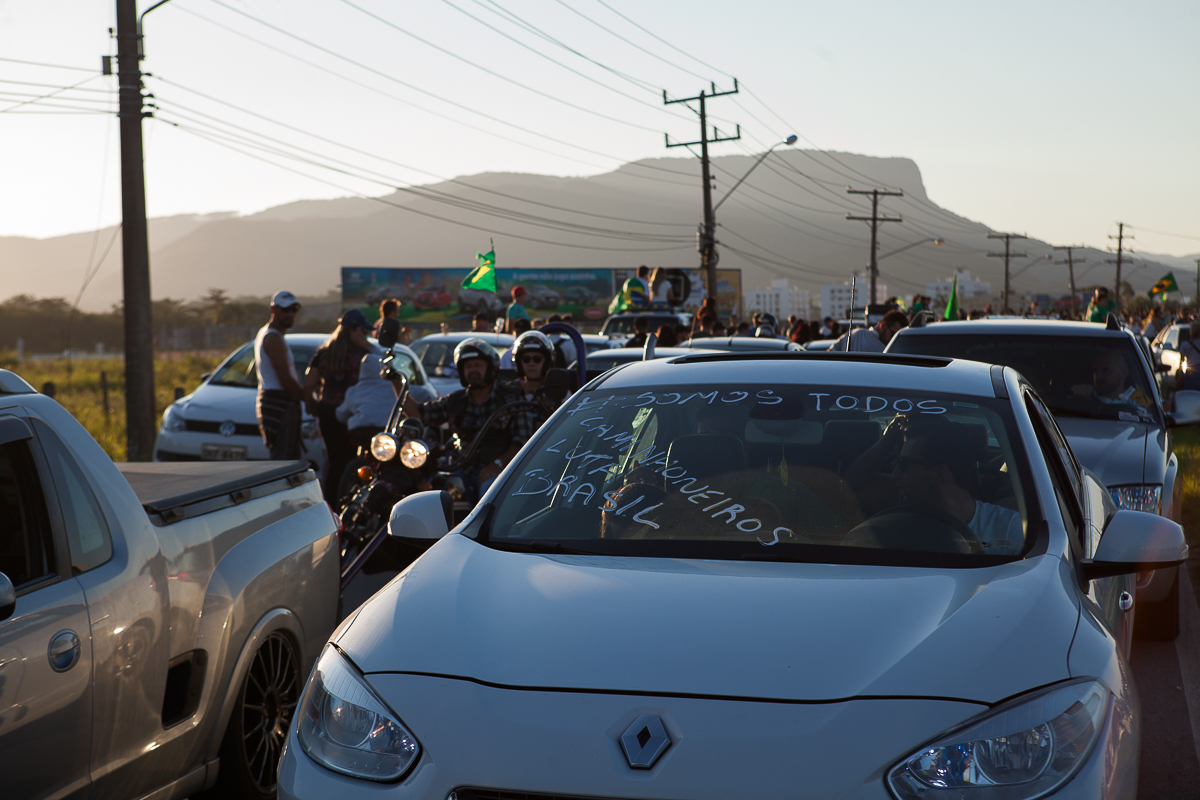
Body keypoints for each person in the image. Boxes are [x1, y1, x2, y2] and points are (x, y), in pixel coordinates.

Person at [402, 338, 535, 499]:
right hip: (460, 469)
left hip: (500, 471)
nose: (473, 370)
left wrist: (497, 465)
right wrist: (397, 383)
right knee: (434, 493)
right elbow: (419, 414)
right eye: (468, 366)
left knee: (490, 493)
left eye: (478, 365)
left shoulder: (510, 398)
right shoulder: (456, 401)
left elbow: (523, 440)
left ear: (491, 367)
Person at [895, 419, 1024, 554]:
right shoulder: (895, 528)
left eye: (904, 464)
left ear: (940, 474)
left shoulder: (1011, 531)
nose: (895, 474)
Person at [305, 309, 372, 500]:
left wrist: (313, 406)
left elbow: (309, 384)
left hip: (327, 414)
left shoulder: (324, 354)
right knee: (353, 461)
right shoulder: (363, 356)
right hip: (353, 415)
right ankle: (350, 501)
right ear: (352, 330)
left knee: (334, 463)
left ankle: (331, 503)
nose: (366, 336)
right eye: (363, 331)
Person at [255, 291, 305, 460]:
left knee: (288, 457)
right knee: (284, 459)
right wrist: (307, 399)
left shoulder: (269, 334)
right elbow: (285, 379)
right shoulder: (273, 338)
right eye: (285, 310)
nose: (290, 314)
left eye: (294, 309)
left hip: (276, 401)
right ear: (273, 310)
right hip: (279, 403)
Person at [1071, 350, 1152, 409]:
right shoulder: (1086, 394)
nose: (1098, 377)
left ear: (1124, 373)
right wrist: (1076, 394)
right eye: (1095, 371)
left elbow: (1154, 415)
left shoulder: (1139, 398)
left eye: (1105, 370)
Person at [831, 310, 908, 352]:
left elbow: (830, 354)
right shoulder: (885, 350)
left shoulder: (853, 334)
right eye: (893, 334)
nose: (894, 339)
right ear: (883, 325)